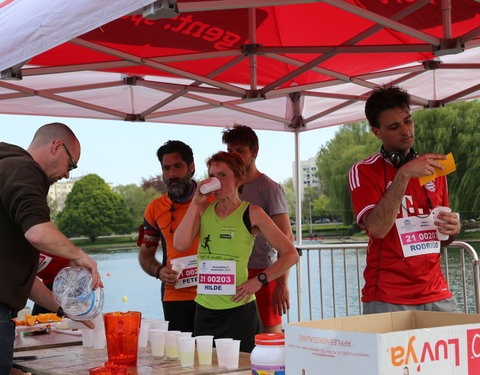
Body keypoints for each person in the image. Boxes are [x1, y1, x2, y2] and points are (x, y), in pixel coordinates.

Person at [348, 86, 461, 314]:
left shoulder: (434, 167)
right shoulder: (362, 170)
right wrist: (404, 174)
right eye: (394, 126)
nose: (406, 131)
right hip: (388, 297)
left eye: (408, 121)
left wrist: (453, 229)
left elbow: (441, 240)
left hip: (437, 292)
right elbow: (378, 229)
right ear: (376, 132)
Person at [0, 122, 102, 374]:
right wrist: (79, 255)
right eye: (71, 165)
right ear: (56, 146)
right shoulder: (24, 169)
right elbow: (38, 231)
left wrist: (64, 308)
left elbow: (20, 278)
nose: (68, 174)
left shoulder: (5, 168)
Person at [173, 152, 299, 352]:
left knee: (242, 368)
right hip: (205, 311)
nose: (216, 180)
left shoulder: (253, 213)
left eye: (223, 175)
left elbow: (291, 254)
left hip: (239, 310)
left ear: (239, 179)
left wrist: (260, 280)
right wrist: (195, 202)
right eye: (212, 175)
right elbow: (179, 244)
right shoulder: (203, 209)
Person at [222, 124, 294, 333]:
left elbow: (286, 237)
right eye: (230, 152)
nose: (233, 156)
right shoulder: (227, 189)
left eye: (239, 150)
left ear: (254, 152)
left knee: (269, 339)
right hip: (233, 274)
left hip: (263, 274)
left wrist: (282, 284)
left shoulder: (269, 188)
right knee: (237, 340)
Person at [138, 140, 210, 332]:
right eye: (166, 168)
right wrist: (159, 272)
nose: (172, 174)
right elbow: (145, 255)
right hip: (175, 298)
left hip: (214, 294)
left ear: (192, 167)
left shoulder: (214, 200)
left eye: (177, 166)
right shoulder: (154, 209)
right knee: (181, 359)